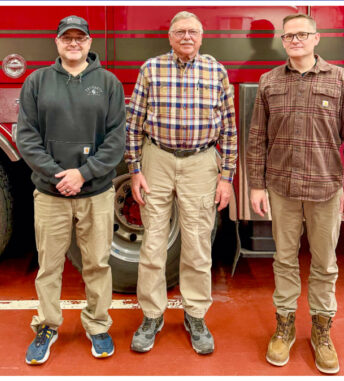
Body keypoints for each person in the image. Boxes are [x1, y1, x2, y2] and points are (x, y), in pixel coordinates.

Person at [246, 14, 344, 373]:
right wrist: (257, 183)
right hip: (281, 188)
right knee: (284, 260)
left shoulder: (342, 80)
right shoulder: (269, 82)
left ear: (316, 38)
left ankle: (321, 331)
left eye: (302, 34)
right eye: (289, 36)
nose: (296, 40)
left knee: (324, 264)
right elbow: (257, 138)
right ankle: (284, 327)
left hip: (325, 189)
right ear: (283, 42)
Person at [125, 11, 237, 355]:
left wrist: (226, 177)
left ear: (202, 38)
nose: (186, 36)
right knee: (153, 243)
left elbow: (230, 128)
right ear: (170, 37)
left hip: (202, 163)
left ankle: (195, 314)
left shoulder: (217, 71)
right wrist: (135, 169)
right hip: (156, 159)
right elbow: (134, 122)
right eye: (179, 32)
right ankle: (152, 315)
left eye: (193, 31)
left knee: (198, 244)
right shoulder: (151, 69)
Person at [16, 15, 126, 364]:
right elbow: (27, 137)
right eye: (67, 38)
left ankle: (97, 324)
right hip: (51, 194)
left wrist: (83, 174)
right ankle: (47, 325)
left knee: (97, 263)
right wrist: (57, 175)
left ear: (90, 43)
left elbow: (115, 140)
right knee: (49, 265)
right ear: (57, 42)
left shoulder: (109, 83)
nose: (74, 43)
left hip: (96, 194)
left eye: (80, 38)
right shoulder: (37, 82)